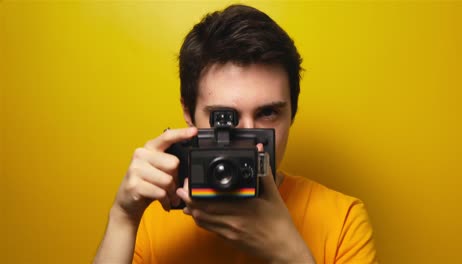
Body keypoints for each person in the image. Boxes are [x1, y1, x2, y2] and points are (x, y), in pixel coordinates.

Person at [94, 4, 377, 264]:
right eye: (224, 119)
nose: (249, 139)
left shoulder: (343, 220)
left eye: (268, 113)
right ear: (189, 114)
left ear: (293, 112)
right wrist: (123, 218)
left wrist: (290, 253)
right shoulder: (152, 217)